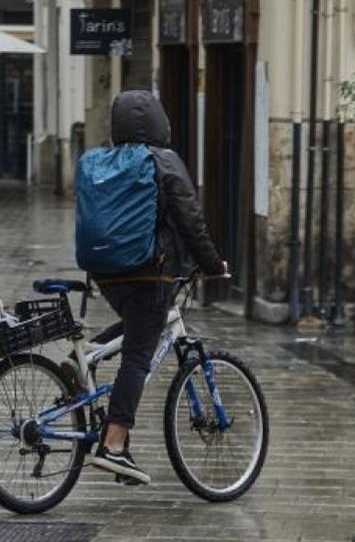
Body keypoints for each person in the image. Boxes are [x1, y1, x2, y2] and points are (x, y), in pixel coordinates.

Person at [82, 90, 227, 486]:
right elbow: (190, 220)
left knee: (141, 323)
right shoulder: (163, 160)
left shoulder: (101, 160)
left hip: (104, 272)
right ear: (161, 122)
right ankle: (113, 446)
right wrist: (212, 265)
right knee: (138, 356)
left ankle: (89, 354)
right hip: (148, 272)